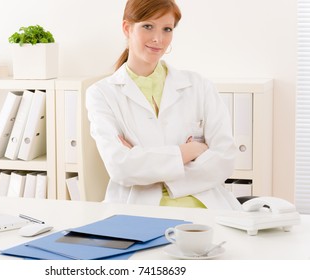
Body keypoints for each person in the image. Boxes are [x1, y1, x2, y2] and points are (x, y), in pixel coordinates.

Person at [86, 0, 241, 210]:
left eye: (167, 29)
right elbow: (120, 167)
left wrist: (146, 166)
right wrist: (193, 150)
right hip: (138, 211)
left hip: (205, 208)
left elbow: (225, 158)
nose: (158, 39)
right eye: (148, 26)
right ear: (127, 28)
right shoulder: (102, 94)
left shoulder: (199, 86)